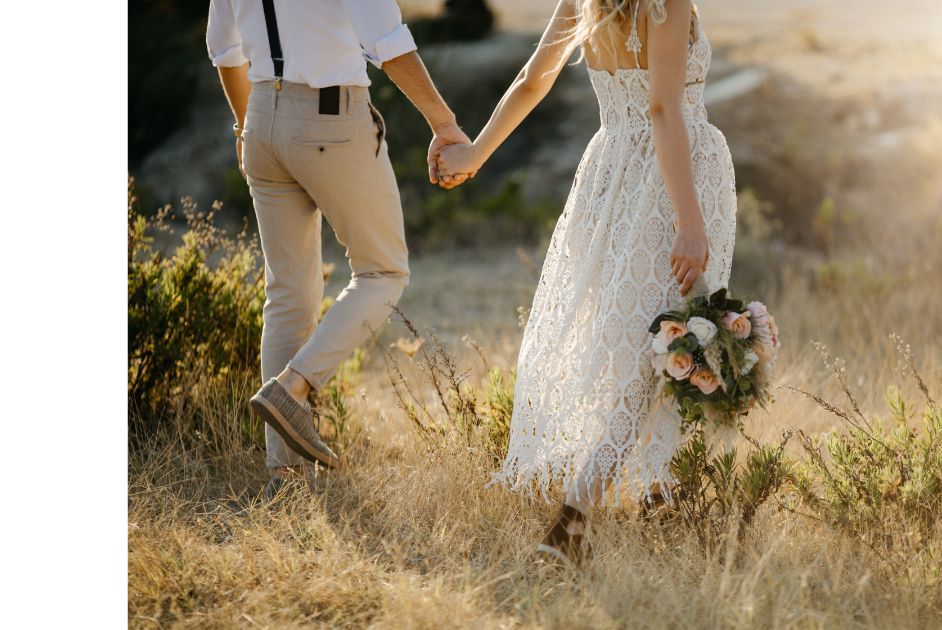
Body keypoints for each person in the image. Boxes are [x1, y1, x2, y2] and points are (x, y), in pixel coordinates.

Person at [436, 0, 737, 566]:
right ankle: (573, 522)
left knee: (645, 343)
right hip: (668, 184)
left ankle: (655, 494)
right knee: (659, 348)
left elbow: (532, 81)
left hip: (609, 176)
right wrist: (690, 223)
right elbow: (664, 108)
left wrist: (476, 153)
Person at [206, 0, 469, 498]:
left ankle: (283, 482)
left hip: (261, 116)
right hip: (330, 116)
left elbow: (224, 49)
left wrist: (246, 126)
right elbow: (388, 41)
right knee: (383, 272)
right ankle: (293, 387)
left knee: (288, 294)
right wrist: (445, 123)